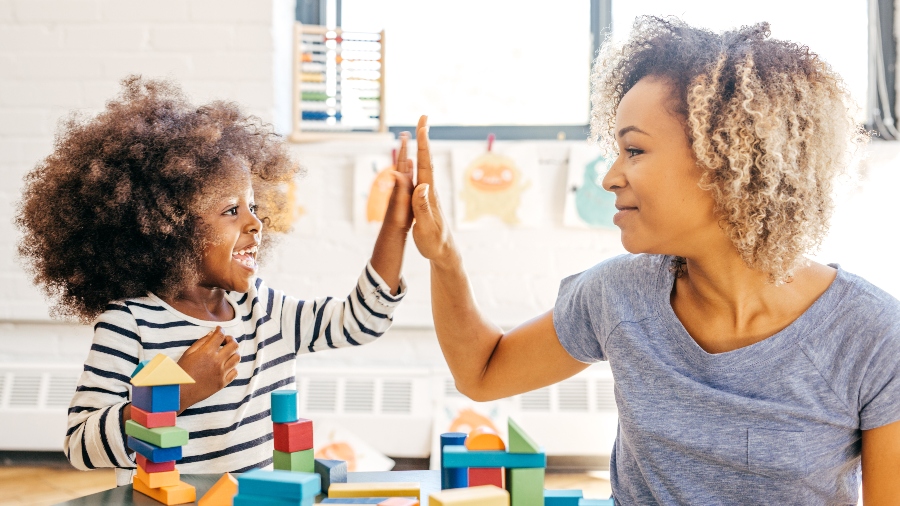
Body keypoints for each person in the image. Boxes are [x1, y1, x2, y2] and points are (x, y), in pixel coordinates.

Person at [407, 17, 900, 504]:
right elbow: (483, 373)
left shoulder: (872, 335)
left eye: (634, 150)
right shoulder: (618, 295)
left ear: (727, 160)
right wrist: (444, 258)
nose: (610, 178)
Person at [16, 76, 415, 485]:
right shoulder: (130, 323)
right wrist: (181, 388)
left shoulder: (264, 309)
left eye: (253, 207)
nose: (256, 223)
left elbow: (359, 321)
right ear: (170, 228)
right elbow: (82, 445)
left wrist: (396, 227)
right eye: (231, 211)